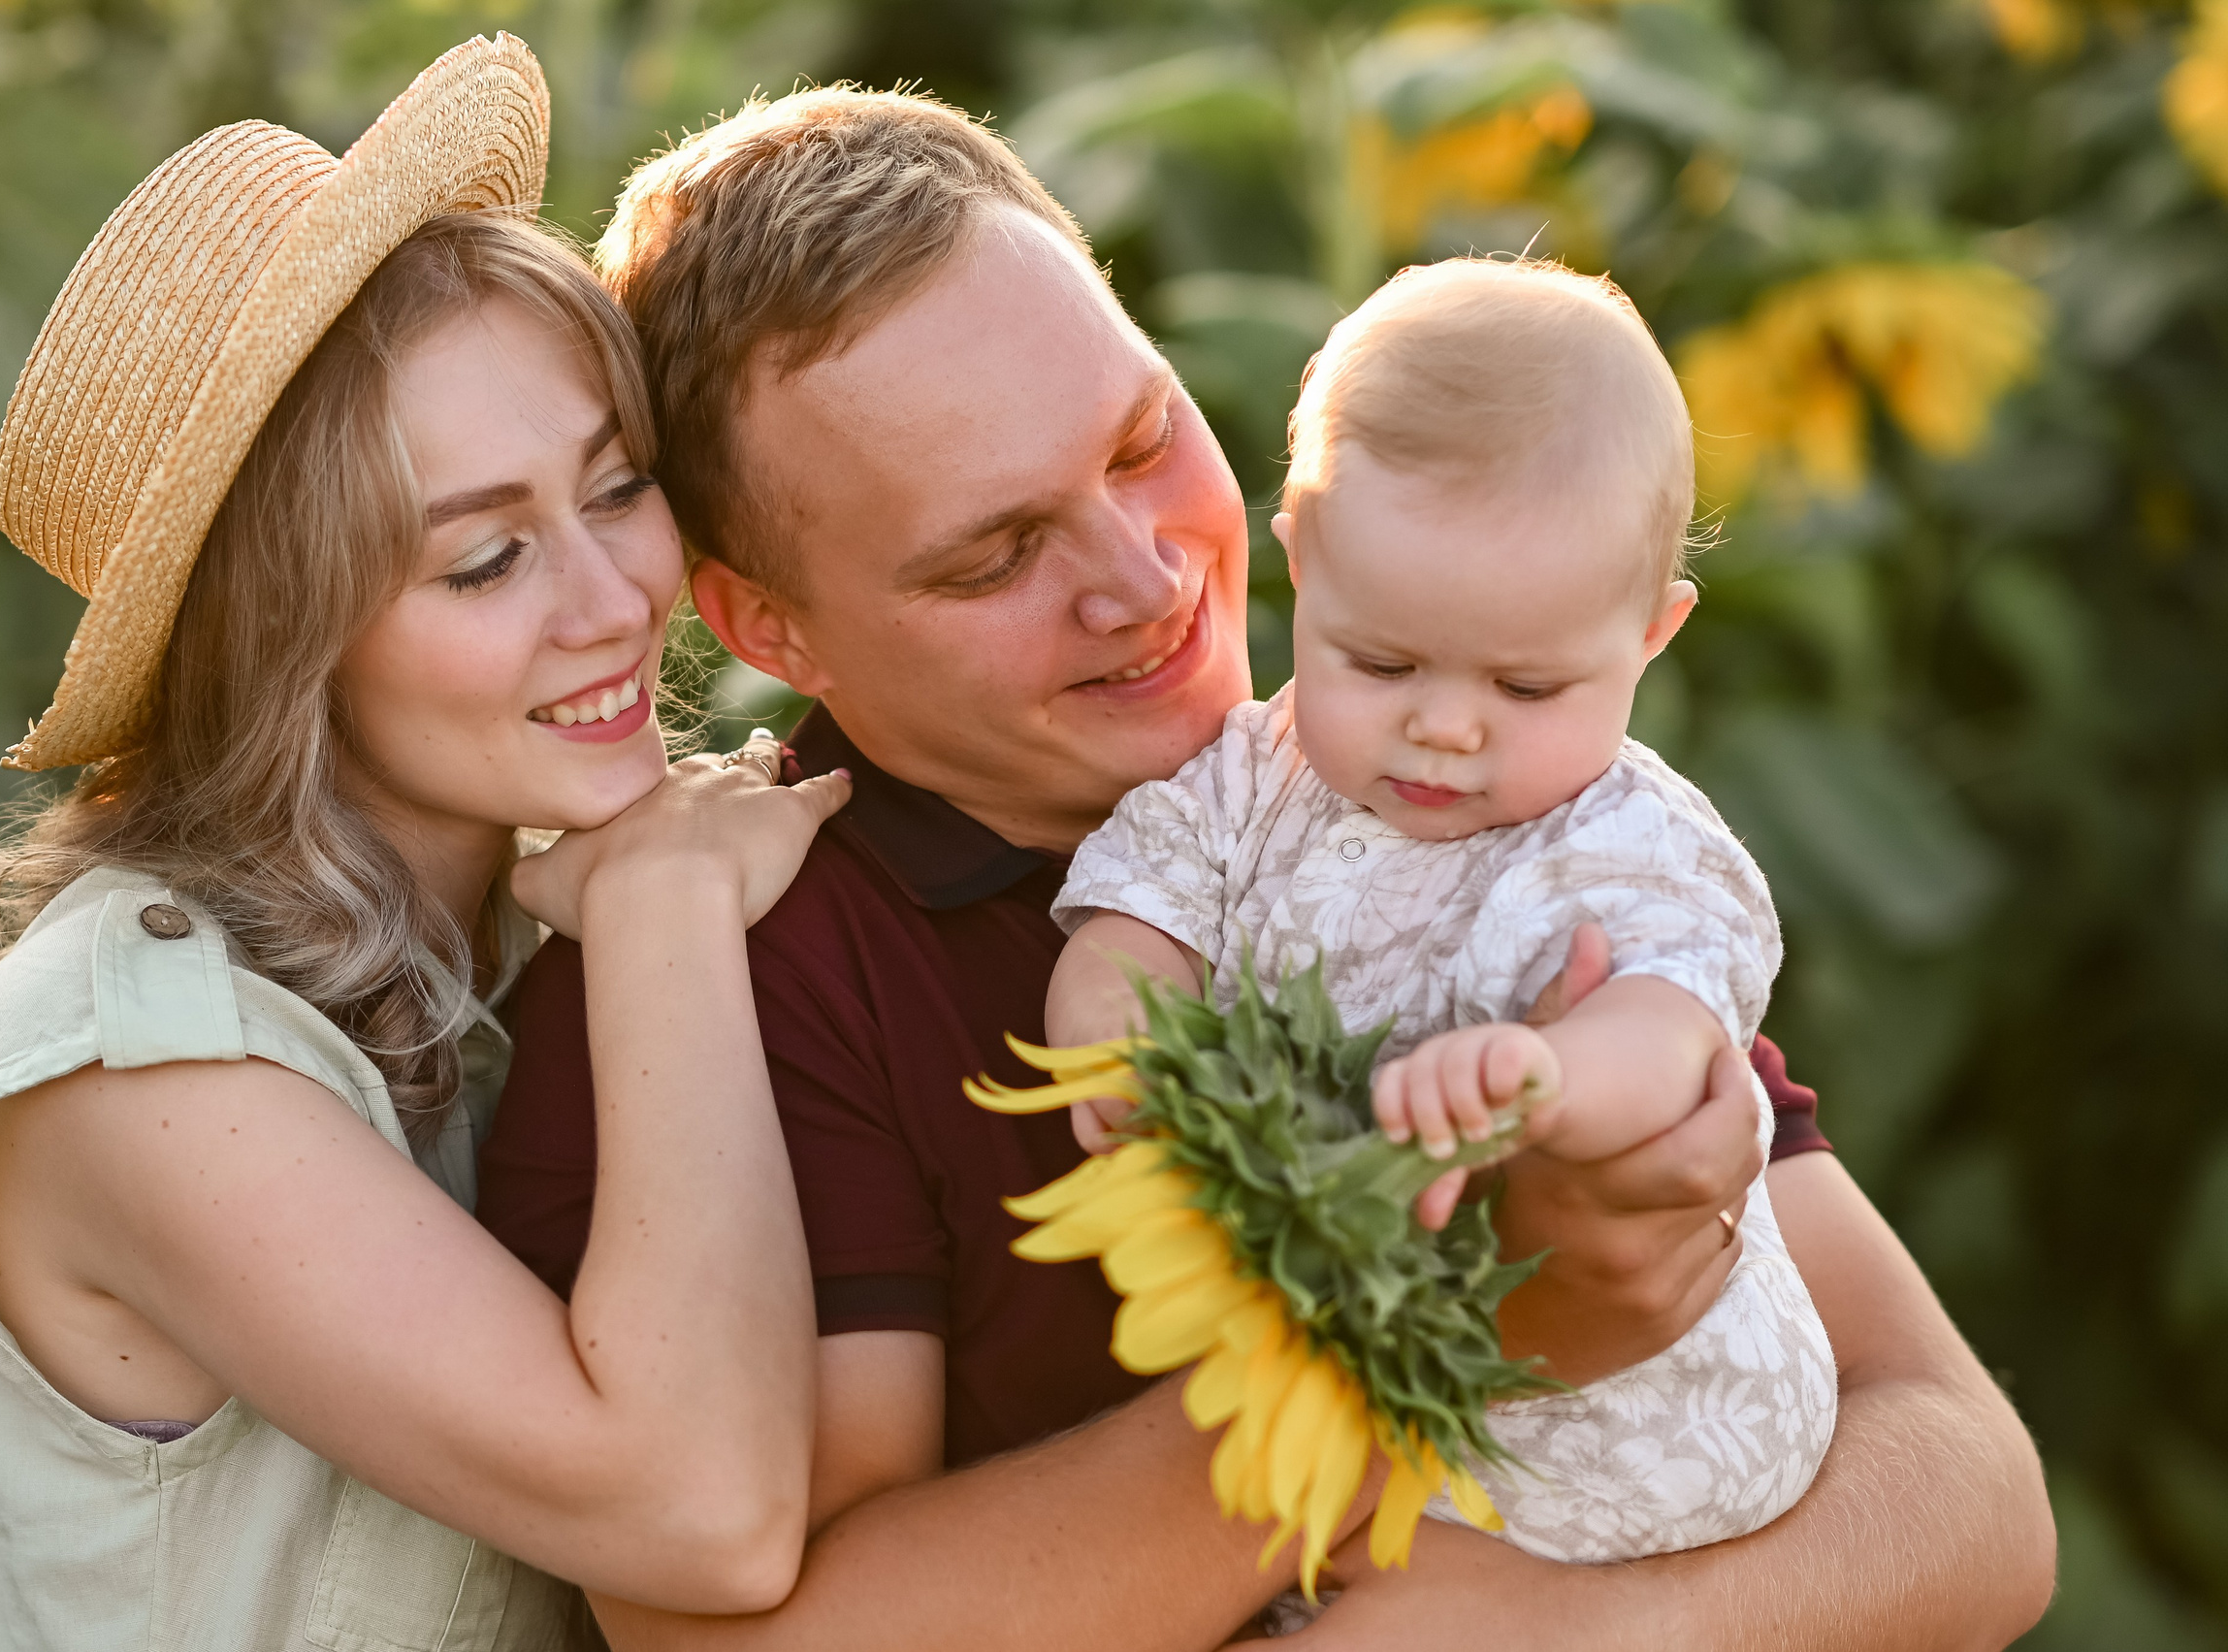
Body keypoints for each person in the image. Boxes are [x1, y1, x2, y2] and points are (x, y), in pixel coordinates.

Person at [478, 86, 2054, 1649]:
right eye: (996, 555)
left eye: (1143, 439)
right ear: (769, 627)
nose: (1144, 576)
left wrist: (1581, 1639)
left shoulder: (1452, 787)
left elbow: (1974, 1493)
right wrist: (1434, 1341)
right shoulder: (731, 986)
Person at [0, 38, 851, 1649]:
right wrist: (672, 917)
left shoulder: (524, 924)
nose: (618, 600)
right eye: (485, 562)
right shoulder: (133, 1066)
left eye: (615, 489)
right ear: (287, 641)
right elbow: (705, 1510)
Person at [1048, 255, 1833, 1571]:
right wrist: (1131, 1036)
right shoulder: (1253, 772)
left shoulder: (1633, 839)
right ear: (1301, 556)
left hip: (1643, 1434)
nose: (1447, 727)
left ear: (1653, 633)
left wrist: (1541, 1077)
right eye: (1381, 660)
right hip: (1390, 1429)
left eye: (1529, 687)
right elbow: (1137, 909)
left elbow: (1672, 1033)